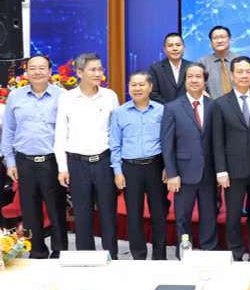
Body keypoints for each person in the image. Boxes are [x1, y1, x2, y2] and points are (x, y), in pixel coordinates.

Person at [1, 55, 67, 258]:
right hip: (24, 162)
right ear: (26, 72)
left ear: (49, 71)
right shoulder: (15, 97)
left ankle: (60, 251)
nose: (37, 72)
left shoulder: (62, 95)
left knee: (56, 210)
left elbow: (68, 130)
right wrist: (10, 161)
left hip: (52, 161)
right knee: (29, 211)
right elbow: (9, 130)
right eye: (33, 68)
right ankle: (36, 251)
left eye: (42, 68)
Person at [54, 53, 120, 258]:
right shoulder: (67, 98)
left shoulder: (110, 96)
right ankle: (85, 258)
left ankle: (112, 257)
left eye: (101, 69)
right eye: (93, 70)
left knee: (108, 213)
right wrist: (62, 167)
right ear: (79, 72)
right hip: (77, 162)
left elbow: (116, 133)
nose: (99, 73)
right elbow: (60, 134)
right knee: (82, 215)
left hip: (104, 161)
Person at [212, 56, 250, 267]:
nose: (244, 75)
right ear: (232, 75)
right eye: (240, 72)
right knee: (233, 215)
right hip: (233, 170)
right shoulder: (220, 104)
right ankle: (235, 253)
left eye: (248, 72)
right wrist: (220, 170)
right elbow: (217, 141)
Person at [161, 63, 218, 258]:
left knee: (209, 214)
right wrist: (172, 173)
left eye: (198, 77)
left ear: (205, 80)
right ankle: (185, 251)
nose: (194, 80)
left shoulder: (213, 106)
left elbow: (217, 141)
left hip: (209, 171)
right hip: (183, 173)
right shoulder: (172, 107)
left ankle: (209, 250)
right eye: (190, 77)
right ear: (184, 81)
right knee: (182, 216)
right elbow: (167, 144)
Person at [110, 71, 167, 260]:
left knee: (158, 213)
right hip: (130, 168)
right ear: (128, 88)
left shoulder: (161, 110)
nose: (137, 88)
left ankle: (160, 256)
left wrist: (168, 166)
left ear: (150, 87)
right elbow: (115, 144)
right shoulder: (120, 113)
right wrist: (118, 172)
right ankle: (139, 256)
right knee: (134, 214)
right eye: (133, 84)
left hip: (155, 166)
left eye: (142, 84)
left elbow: (168, 142)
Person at [198, 25, 239, 99]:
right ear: (211, 42)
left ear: (230, 40)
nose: (219, 41)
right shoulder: (202, 62)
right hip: (213, 107)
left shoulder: (240, 60)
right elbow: (199, 87)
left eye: (223, 37)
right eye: (215, 38)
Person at [149, 32, 191, 104]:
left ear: (184, 47)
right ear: (164, 49)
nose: (174, 49)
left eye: (178, 45)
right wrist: (170, 109)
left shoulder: (191, 67)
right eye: (170, 46)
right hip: (163, 112)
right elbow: (153, 95)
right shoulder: (156, 68)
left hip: (188, 112)